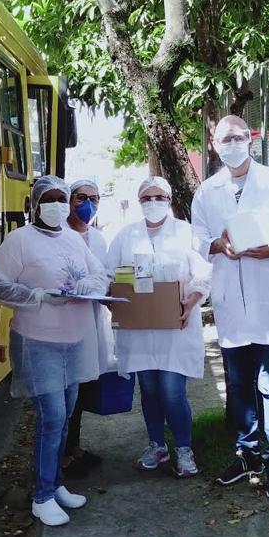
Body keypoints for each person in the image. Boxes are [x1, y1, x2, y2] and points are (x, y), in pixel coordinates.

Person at [190, 115, 269, 499]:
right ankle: (247, 453)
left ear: (250, 140)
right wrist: (215, 244)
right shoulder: (207, 191)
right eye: (224, 139)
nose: (232, 144)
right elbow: (196, 237)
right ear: (214, 144)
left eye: (238, 137)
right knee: (239, 384)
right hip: (231, 302)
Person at [0, 175, 110, 527]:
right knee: (52, 415)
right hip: (39, 342)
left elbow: (99, 274)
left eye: (62, 198)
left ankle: (55, 484)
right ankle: (41, 496)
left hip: (75, 340)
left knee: (66, 414)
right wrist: (37, 296)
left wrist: (89, 283)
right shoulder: (20, 240)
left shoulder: (73, 238)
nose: (57, 205)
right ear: (36, 204)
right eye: (49, 199)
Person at [105, 177, 211, 477]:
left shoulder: (186, 232)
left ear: (169, 200)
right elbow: (108, 274)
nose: (153, 203)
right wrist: (110, 297)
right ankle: (157, 446)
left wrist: (192, 300)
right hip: (138, 330)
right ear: (139, 202)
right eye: (147, 198)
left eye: (159, 197)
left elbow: (203, 274)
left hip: (175, 327)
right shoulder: (125, 235)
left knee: (172, 391)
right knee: (149, 390)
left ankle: (184, 449)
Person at [60, 178, 109, 479]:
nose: (87, 204)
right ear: (69, 201)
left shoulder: (99, 238)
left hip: (93, 319)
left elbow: (104, 275)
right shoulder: (59, 236)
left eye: (94, 198)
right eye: (80, 198)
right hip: (66, 321)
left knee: (84, 385)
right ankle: (63, 456)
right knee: (68, 389)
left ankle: (74, 446)